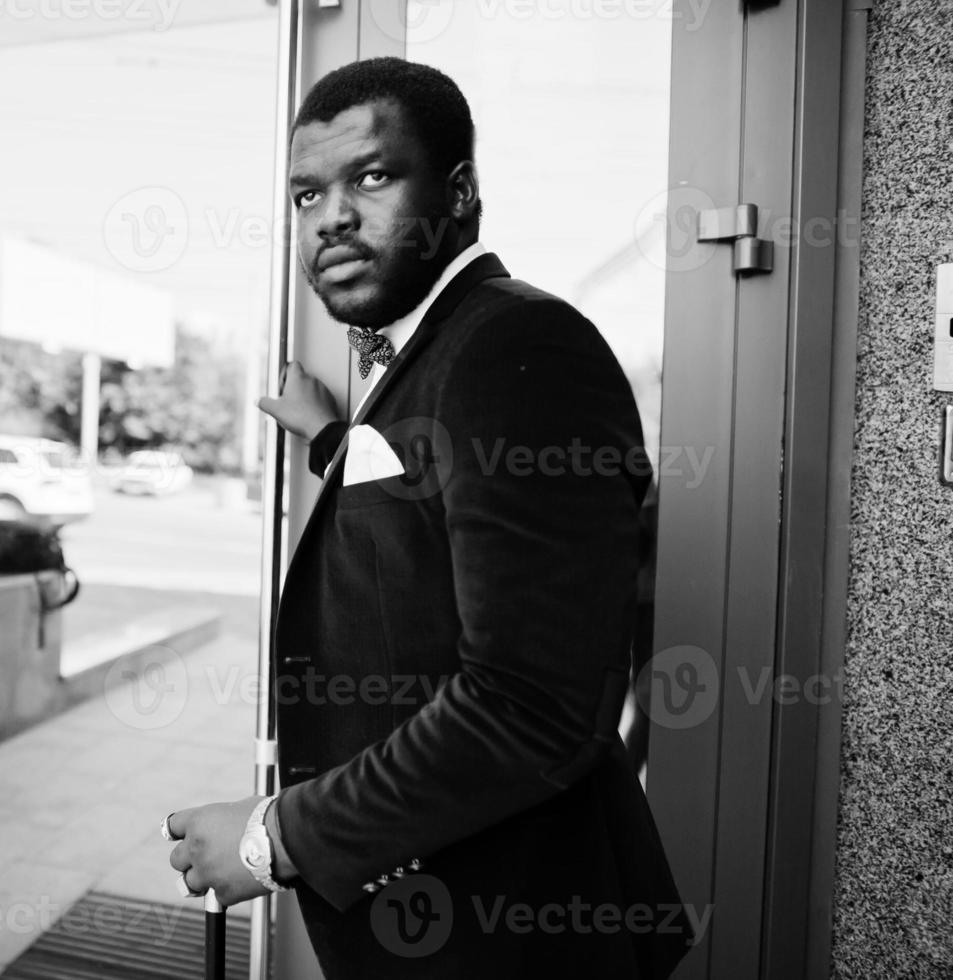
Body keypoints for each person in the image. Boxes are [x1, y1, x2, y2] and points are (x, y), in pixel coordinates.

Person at [163, 57, 692, 978]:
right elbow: (434, 511)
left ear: (458, 193)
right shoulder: (444, 356)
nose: (329, 215)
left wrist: (269, 840)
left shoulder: (521, 346)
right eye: (303, 195)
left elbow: (529, 706)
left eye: (369, 177)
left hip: (515, 936)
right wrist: (334, 438)